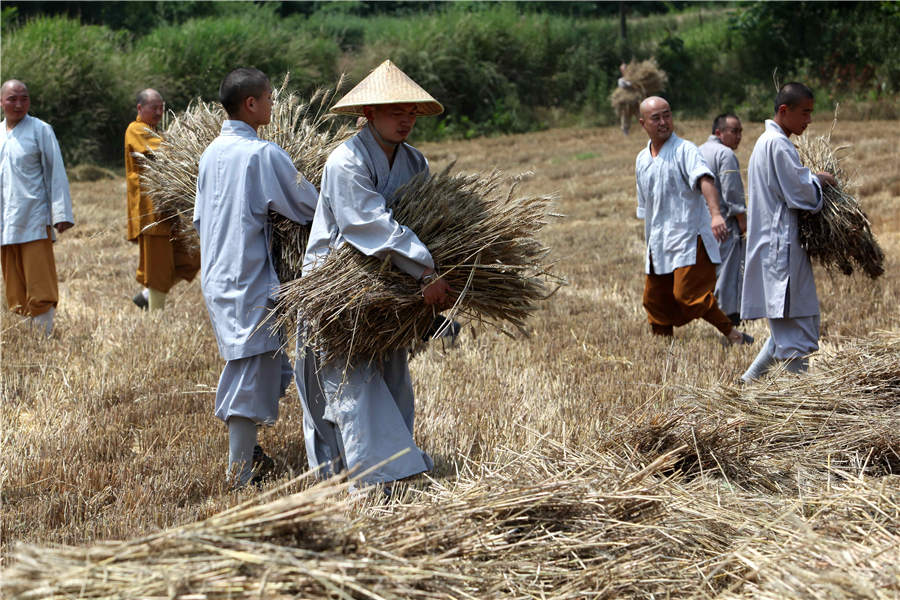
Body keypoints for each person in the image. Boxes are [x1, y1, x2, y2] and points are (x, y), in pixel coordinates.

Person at [297, 59, 451, 490]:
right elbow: (370, 225)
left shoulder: (414, 161)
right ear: (368, 115)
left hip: (392, 284)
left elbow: (427, 219)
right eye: (395, 111)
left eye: (411, 112)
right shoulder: (346, 161)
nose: (406, 120)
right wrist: (424, 272)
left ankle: (397, 468)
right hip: (339, 282)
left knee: (393, 373)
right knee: (349, 380)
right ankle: (357, 477)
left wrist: (435, 271)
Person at [194, 67, 319, 488]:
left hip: (217, 275)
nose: (272, 104)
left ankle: (250, 454)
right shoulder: (262, 155)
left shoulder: (210, 153)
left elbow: (198, 218)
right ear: (251, 104)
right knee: (249, 375)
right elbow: (310, 206)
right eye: (268, 97)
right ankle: (238, 476)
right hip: (247, 278)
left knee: (263, 365)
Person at [635, 96, 751, 345]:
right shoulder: (642, 160)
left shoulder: (685, 149)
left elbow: (704, 179)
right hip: (658, 240)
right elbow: (646, 204)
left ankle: (734, 335)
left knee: (689, 295)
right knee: (654, 299)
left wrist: (716, 214)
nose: (664, 122)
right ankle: (664, 351)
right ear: (643, 123)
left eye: (667, 115)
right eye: (656, 118)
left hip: (689, 236)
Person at [740, 83, 836, 383]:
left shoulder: (767, 143)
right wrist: (819, 180)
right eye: (804, 112)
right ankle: (796, 406)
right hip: (782, 248)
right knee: (797, 332)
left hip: (777, 245)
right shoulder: (778, 145)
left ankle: (746, 385)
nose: (808, 120)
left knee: (789, 326)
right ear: (784, 110)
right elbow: (802, 195)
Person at [0, 79, 73, 336]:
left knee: (39, 279)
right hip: (4, 221)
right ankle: (26, 333)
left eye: (24, 98)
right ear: (1, 102)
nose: (18, 104)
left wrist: (61, 213)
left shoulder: (41, 130)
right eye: (12, 99)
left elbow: (56, 173)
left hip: (33, 217)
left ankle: (43, 334)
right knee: (14, 282)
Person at [125, 88, 200, 311]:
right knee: (158, 268)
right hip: (151, 213)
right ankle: (156, 316)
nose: (159, 112)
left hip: (168, 210)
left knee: (191, 258)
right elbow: (166, 153)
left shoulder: (156, 131)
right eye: (153, 108)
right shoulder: (136, 129)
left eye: (161, 108)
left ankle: (147, 295)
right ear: (140, 108)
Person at [699, 113, 746, 326]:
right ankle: (729, 323)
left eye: (740, 131)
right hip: (724, 224)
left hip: (702, 223)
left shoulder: (698, 151)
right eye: (734, 131)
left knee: (710, 274)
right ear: (719, 132)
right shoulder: (725, 154)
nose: (739, 136)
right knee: (728, 276)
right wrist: (742, 219)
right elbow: (732, 192)